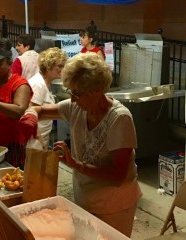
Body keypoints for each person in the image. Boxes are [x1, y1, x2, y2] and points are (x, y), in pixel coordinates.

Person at [21, 52, 142, 237]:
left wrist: (77, 165)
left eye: (77, 93)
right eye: (71, 92)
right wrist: (31, 116)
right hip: (85, 198)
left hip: (114, 203)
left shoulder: (119, 119)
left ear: (96, 90)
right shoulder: (76, 107)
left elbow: (118, 175)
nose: (72, 99)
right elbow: (38, 109)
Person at [28, 47, 67, 146]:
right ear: (49, 65)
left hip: (40, 138)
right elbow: (31, 114)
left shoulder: (45, 83)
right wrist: (39, 139)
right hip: (34, 140)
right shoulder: (38, 84)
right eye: (59, 66)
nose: (61, 69)